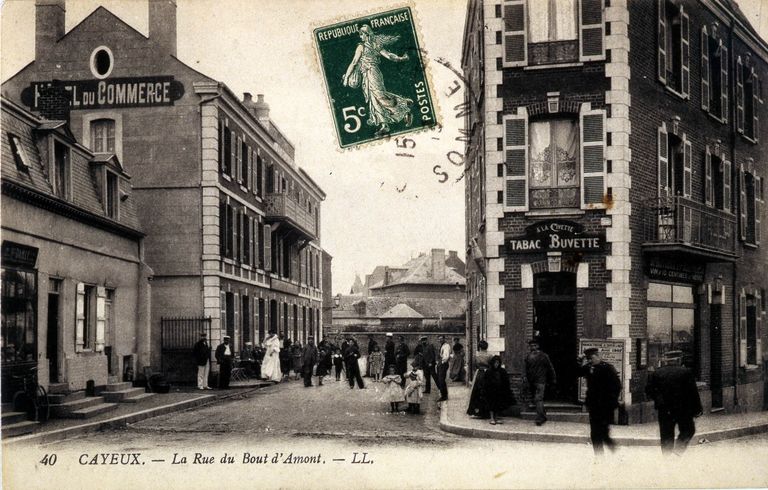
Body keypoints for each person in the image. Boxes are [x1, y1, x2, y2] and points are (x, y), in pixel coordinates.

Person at [341, 24, 414, 136]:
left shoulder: (362, 47)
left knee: (379, 96)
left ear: (366, 34)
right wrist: (401, 58)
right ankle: (384, 125)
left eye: (362, 34)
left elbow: (354, 62)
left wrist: (346, 77)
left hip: (372, 73)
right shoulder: (375, 44)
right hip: (369, 74)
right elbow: (389, 56)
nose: (360, 37)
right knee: (373, 98)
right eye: (360, 34)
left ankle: (404, 110)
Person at [645, 350, 703, 455]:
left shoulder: (657, 373)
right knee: (688, 430)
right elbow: (693, 393)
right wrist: (697, 409)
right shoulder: (686, 372)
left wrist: (659, 401)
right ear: (678, 359)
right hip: (683, 409)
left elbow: (649, 390)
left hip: (665, 410)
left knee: (666, 435)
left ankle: (667, 459)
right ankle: (678, 452)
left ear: (667, 360)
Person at [577, 348, 622, 455]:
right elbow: (576, 372)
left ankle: (614, 451)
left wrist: (612, 402)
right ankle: (599, 456)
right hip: (593, 405)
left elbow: (617, 386)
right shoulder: (589, 368)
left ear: (598, 356)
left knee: (603, 432)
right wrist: (579, 360)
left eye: (592, 358)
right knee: (594, 433)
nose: (590, 360)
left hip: (606, 406)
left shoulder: (607, 368)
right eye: (588, 358)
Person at [524, 339, 557, 426]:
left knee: (538, 399)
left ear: (538, 346)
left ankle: (540, 418)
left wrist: (553, 378)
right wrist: (526, 379)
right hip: (532, 381)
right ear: (529, 347)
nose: (533, 347)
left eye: (535, 345)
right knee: (537, 400)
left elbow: (550, 368)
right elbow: (526, 369)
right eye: (531, 346)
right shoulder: (528, 357)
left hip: (540, 381)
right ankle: (543, 415)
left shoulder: (544, 356)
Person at [485, 355, 515, 425]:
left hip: (499, 391)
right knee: (491, 405)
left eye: (497, 363)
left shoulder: (502, 371)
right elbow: (486, 382)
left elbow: (505, 381)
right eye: (495, 363)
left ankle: (496, 417)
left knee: (498, 404)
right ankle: (492, 418)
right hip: (491, 391)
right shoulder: (489, 371)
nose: (496, 364)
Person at [466, 340, 491, 418]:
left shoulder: (476, 356)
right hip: (487, 374)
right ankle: (486, 412)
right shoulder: (490, 355)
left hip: (479, 374)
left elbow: (473, 366)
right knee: (487, 391)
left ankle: (477, 411)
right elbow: (491, 366)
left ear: (479, 347)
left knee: (476, 391)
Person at [436, 335, 451, 401]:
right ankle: (444, 394)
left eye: (441, 339)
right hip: (440, 364)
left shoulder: (446, 346)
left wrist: (442, 362)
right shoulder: (442, 345)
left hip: (443, 364)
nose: (440, 340)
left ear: (444, 339)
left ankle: (444, 396)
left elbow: (446, 356)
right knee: (440, 380)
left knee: (441, 380)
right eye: (439, 339)